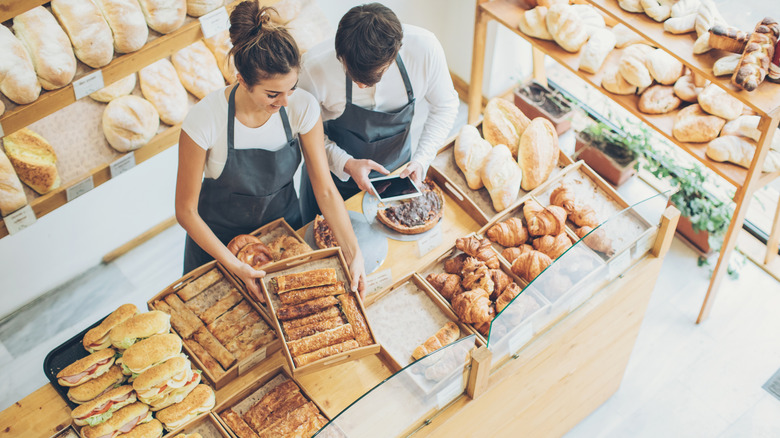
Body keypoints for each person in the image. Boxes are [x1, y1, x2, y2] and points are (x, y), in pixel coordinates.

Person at [175, 1, 365, 298]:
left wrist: (354, 253)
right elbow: (185, 212)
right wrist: (234, 265)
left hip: (282, 238)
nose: (285, 102)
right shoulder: (204, 120)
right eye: (272, 94)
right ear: (242, 81)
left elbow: (325, 190)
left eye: (291, 89)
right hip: (218, 247)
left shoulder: (302, 107)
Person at [298, 2, 459, 222]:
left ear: (395, 53)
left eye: (374, 76)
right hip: (332, 181)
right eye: (353, 75)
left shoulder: (425, 49)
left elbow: (445, 107)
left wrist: (422, 159)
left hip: (397, 175)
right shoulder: (314, 68)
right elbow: (304, 136)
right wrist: (346, 162)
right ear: (340, 54)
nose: (362, 86)